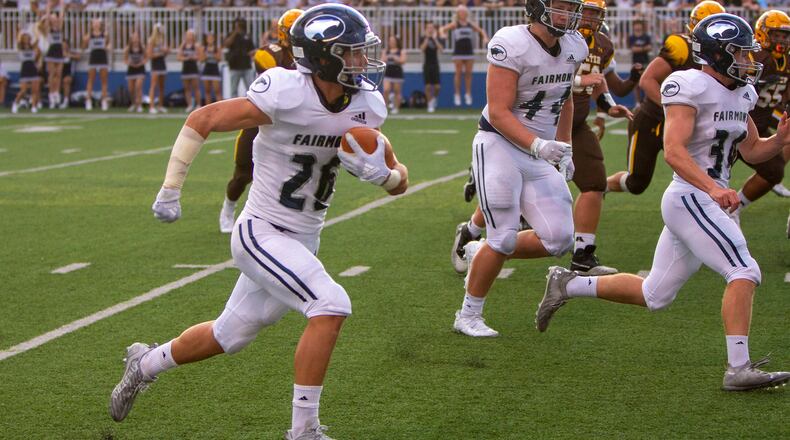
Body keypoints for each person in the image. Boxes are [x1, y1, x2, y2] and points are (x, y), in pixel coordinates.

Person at [109, 5, 407, 439]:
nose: (363, 61)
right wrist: (170, 189)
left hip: (305, 237)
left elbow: (400, 180)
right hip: (262, 231)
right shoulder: (286, 91)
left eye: (363, 51)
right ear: (323, 57)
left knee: (230, 334)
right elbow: (203, 119)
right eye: (352, 52)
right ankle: (303, 430)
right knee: (331, 304)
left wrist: (387, 176)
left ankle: (145, 363)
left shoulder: (367, 105)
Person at [535, 13, 790, 391]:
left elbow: (752, 150)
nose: (748, 61)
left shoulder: (743, 92)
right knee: (744, 271)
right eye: (739, 53)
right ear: (718, 54)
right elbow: (673, 151)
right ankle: (738, 368)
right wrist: (713, 188)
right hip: (692, 195)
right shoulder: (688, 85)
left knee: (654, 294)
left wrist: (782, 138)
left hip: (704, 196)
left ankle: (567, 284)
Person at [451, 0, 586, 338]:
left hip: (538, 151)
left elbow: (565, 98)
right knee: (503, 236)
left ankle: (479, 252)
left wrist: (565, 147)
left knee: (559, 238)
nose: (570, 14)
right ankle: (468, 315)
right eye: (562, 6)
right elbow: (498, 111)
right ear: (538, 7)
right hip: (500, 146)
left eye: (572, 7)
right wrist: (539, 145)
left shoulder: (574, 46)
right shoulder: (511, 42)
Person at [606, 1, 725, 195]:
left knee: (703, 178)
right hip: (653, 120)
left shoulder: (725, 55)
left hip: (692, 123)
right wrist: (673, 109)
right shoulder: (682, 46)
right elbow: (647, 80)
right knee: (637, 183)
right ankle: (600, 186)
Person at [219, 8, 303, 234]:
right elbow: (278, 85)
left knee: (284, 174)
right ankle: (228, 207)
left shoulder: (312, 56)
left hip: (290, 123)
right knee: (243, 174)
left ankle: (277, 218)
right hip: (260, 120)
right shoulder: (271, 53)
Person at [567, 0, 636, 274]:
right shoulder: (558, 38)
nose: (590, 18)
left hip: (576, 122)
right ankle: (472, 231)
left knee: (595, 182)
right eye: (586, 12)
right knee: (517, 186)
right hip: (542, 123)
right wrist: (578, 82)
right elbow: (540, 78)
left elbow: (599, 81)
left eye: (595, 13)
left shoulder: (603, 44)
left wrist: (608, 106)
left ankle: (582, 253)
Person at [728, 10, 790, 224]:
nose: (782, 40)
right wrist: (753, 81)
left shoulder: (786, 60)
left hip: (758, 123)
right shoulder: (755, 56)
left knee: (774, 171)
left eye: (785, 36)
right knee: (716, 169)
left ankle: (736, 206)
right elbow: (731, 80)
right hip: (734, 120)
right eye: (777, 35)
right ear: (764, 33)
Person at [440, 4, 488, 107]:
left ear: (466, 13)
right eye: (460, 12)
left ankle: (468, 93)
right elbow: (442, 29)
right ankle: (457, 94)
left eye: (464, 12)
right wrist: (443, 34)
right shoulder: (455, 24)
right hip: (458, 51)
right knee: (458, 73)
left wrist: (484, 38)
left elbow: (481, 31)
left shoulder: (470, 24)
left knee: (468, 74)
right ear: (457, 14)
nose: (462, 14)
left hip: (469, 51)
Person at [83, 18, 111, 111]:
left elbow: (108, 45)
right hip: (93, 58)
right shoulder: (89, 36)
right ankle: (88, 100)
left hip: (102, 58)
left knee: (104, 80)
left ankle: (104, 101)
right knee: (91, 79)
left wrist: (108, 47)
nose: (96, 25)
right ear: (91, 25)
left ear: (100, 25)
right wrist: (85, 41)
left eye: (97, 23)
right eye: (94, 23)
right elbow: (84, 46)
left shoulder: (105, 35)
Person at [224, 17, 256, 97]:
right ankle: (234, 108)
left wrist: (250, 53)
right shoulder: (231, 35)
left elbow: (252, 50)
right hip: (234, 66)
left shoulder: (247, 36)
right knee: (233, 90)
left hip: (246, 65)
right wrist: (235, 32)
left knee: (250, 89)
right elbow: (227, 44)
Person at [41, 6, 65, 109]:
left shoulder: (60, 28)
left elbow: (62, 15)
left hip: (59, 52)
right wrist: (49, 6)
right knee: (52, 74)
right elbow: (46, 20)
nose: (55, 20)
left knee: (58, 74)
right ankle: (51, 94)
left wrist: (61, 4)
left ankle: (56, 93)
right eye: (53, 19)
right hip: (51, 52)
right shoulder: (48, 29)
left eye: (56, 18)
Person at [12, 31, 41, 114]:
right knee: (23, 90)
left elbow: (38, 39)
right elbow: (17, 40)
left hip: (32, 68)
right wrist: (19, 31)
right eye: (25, 38)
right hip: (25, 68)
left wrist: (37, 30)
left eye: (28, 38)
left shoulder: (32, 47)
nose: (26, 39)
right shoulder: (20, 47)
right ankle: (15, 103)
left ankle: (34, 106)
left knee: (35, 90)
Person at [420, 21, 443, 113]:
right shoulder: (423, 38)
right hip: (427, 64)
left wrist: (434, 38)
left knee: (437, 87)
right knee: (428, 86)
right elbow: (422, 49)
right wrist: (427, 38)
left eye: (431, 27)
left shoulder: (437, 38)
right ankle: (429, 103)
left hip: (435, 64)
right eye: (428, 27)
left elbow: (441, 49)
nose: (430, 29)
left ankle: (434, 99)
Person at [628, 19, 651, 102]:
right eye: (636, 25)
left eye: (639, 25)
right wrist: (643, 48)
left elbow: (649, 48)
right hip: (635, 63)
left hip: (645, 62)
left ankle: (646, 101)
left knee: (645, 83)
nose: (637, 26)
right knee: (636, 84)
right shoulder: (631, 37)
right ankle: (637, 102)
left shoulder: (646, 36)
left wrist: (639, 48)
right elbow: (633, 49)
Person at [147, 24, 169, 114]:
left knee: (161, 86)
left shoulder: (162, 41)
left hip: (162, 64)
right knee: (153, 85)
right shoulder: (151, 41)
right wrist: (160, 53)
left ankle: (160, 105)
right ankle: (151, 106)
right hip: (155, 65)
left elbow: (165, 53)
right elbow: (150, 55)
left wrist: (166, 51)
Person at [178, 29, 202, 112]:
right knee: (187, 88)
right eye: (188, 35)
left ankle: (198, 104)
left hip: (194, 69)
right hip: (185, 69)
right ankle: (189, 105)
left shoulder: (196, 45)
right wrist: (186, 58)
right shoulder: (183, 45)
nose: (189, 37)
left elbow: (201, 57)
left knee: (196, 87)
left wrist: (194, 57)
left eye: (191, 35)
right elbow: (179, 57)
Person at [382, 35, 406, 114]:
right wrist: (386, 58)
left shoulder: (401, 51)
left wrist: (396, 58)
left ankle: (396, 108)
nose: (391, 42)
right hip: (388, 72)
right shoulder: (386, 51)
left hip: (397, 72)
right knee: (386, 90)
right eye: (390, 41)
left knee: (397, 91)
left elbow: (403, 61)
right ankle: (384, 108)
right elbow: (382, 60)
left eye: (393, 41)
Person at [125, 30, 146, 113]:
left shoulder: (142, 47)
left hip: (140, 69)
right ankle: (133, 103)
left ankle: (139, 104)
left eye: (137, 37)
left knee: (138, 86)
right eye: (134, 37)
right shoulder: (128, 48)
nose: (135, 39)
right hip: (131, 69)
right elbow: (125, 59)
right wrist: (130, 63)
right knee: (131, 89)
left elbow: (146, 57)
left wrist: (141, 63)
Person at [200, 31, 223, 105]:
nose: (210, 40)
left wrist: (212, 54)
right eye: (208, 38)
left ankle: (220, 107)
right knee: (207, 91)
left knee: (217, 91)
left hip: (215, 70)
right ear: (206, 39)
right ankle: (208, 107)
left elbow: (219, 58)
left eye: (211, 38)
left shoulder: (217, 48)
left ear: (214, 39)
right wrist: (206, 55)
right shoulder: (204, 48)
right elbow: (201, 59)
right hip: (207, 70)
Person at [60, 39, 79, 110]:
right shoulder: (57, 54)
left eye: (65, 45)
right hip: (58, 75)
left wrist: (67, 55)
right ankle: (54, 101)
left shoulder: (71, 53)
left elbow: (78, 57)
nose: (64, 46)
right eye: (62, 45)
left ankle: (66, 101)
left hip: (68, 74)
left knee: (66, 80)